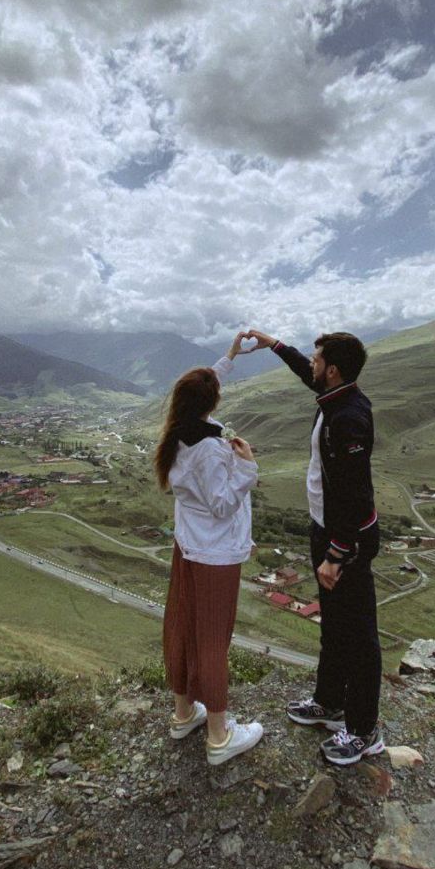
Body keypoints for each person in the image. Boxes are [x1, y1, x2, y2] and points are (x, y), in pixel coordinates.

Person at [245, 327, 384, 767]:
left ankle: (364, 732)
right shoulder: (335, 397)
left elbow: (356, 495)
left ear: (334, 370)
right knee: (334, 625)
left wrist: (338, 553)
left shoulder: (349, 419)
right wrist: (275, 345)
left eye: (317, 359)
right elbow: (307, 374)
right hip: (326, 529)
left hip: (348, 540)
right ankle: (329, 704)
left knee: (359, 635)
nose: (312, 365)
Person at [155, 332, 264, 767]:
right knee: (214, 639)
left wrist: (230, 357)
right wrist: (247, 466)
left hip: (188, 546)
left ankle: (184, 713)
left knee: (183, 624)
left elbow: (200, 388)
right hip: (215, 554)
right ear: (213, 404)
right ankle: (219, 736)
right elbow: (222, 503)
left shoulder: (178, 432)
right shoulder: (211, 449)